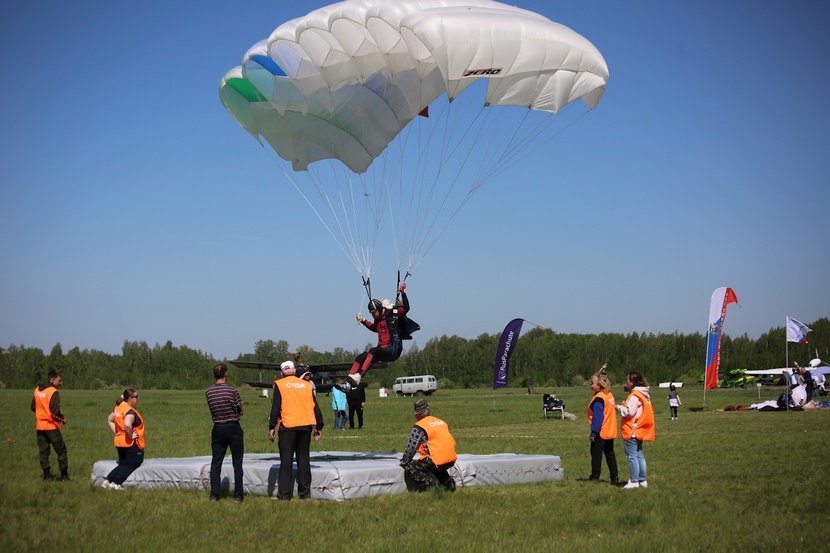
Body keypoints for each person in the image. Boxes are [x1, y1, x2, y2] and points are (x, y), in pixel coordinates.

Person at [268, 360, 324, 500]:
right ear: (294, 371)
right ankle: (305, 493)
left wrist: (271, 426)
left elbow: (275, 408)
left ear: (282, 373)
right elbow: (315, 406)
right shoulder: (306, 385)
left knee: (286, 461)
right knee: (303, 459)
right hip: (305, 426)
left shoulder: (280, 385)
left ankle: (284, 494)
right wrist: (319, 426)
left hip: (287, 426)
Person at [348, 282, 419, 387]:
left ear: (379, 309)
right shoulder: (377, 320)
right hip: (382, 350)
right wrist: (363, 320)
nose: (373, 315)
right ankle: (349, 383)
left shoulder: (392, 314)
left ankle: (359, 375)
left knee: (373, 351)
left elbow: (406, 308)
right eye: (371, 313)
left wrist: (403, 293)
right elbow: (375, 328)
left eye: (373, 312)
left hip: (393, 349)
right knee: (360, 357)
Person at [205, 362, 245, 502]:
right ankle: (238, 495)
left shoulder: (208, 392)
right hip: (233, 427)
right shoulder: (232, 391)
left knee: (216, 462)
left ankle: (214, 494)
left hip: (217, 427)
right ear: (226, 374)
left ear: (213, 375)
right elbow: (240, 409)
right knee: (237, 462)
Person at [399, 399, 457, 492]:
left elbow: (411, 448)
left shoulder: (420, 426)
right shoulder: (441, 422)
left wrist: (404, 462)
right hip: (450, 458)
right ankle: (449, 484)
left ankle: (432, 486)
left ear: (417, 413)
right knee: (437, 467)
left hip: (435, 459)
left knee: (411, 467)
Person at [616, 372, 655, 489]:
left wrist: (619, 407)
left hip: (631, 429)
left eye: (627, 380)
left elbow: (630, 412)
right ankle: (642, 479)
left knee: (632, 456)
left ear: (632, 382)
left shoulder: (634, 396)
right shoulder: (644, 395)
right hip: (639, 429)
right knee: (639, 454)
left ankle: (634, 481)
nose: (626, 382)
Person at [102, 388, 145, 490]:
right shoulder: (129, 411)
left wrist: (116, 432)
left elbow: (110, 419)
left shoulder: (118, 408)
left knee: (123, 464)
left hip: (119, 441)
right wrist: (131, 436)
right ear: (130, 398)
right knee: (134, 463)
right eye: (136, 397)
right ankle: (116, 483)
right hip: (131, 443)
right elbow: (127, 424)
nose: (138, 399)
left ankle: (107, 481)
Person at [32, 370, 69, 481]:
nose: (60, 383)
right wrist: (62, 419)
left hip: (40, 426)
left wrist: (41, 414)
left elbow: (33, 407)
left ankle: (46, 475)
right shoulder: (53, 392)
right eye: (59, 380)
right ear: (52, 380)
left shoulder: (37, 390)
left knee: (43, 451)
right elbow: (54, 412)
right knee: (61, 450)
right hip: (51, 426)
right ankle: (64, 476)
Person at [586, 364, 619, 485]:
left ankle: (595, 477)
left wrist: (594, 432)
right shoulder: (608, 395)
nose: (591, 385)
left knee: (596, 454)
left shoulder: (599, 399)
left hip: (601, 431)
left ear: (599, 385)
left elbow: (598, 417)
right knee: (610, 454)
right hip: (610, 429)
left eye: (592, 383)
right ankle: (614, 477)